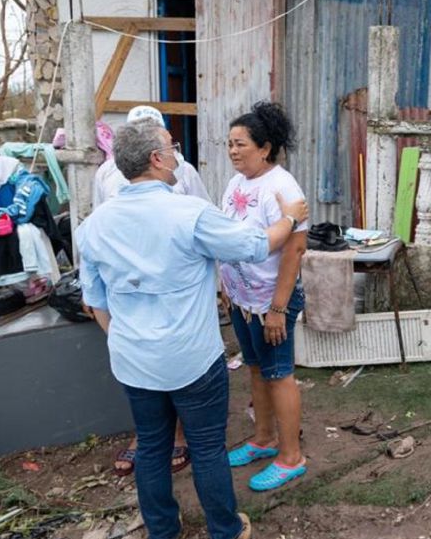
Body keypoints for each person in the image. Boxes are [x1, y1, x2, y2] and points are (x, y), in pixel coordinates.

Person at [77, 118, 308, 539]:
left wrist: (128, 341)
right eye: (172, 146)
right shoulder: (189, 212)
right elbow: (254, 245)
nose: (176, 154)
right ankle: (225, 529)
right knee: (205, 448)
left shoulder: (94, 225)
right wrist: (290, 219)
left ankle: (163, 529)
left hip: (133, 361)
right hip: (191, 359)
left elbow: (95, 302)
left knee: (151, 447)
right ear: (156, 159)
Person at [92, 105, 209, 478]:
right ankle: (148, 436)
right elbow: (97, 223)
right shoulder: (106, 175)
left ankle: (178, 432)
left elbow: (206, 220)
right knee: (141, 369)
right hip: (129, 286)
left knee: (174, 361)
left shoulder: (182, 170)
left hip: (173, 281)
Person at [219, 102, 310, 492]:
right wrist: (227, 288)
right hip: (243, 298)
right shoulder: (237, 182)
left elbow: (294, 250)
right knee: (256, 367)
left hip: (272, 301)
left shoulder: (283, 188)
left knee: (279, 374)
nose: (233, 151)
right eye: (230, 144)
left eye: (241, 144)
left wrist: (277, 308)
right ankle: (263, 438)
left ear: (265, 147)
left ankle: (291, 458)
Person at [93, 105, 210, 206]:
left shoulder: (184, 169)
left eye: (151, 132)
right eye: (139, 133)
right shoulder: (106, 170)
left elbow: (204, 211)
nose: (145, 139)